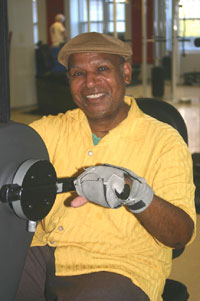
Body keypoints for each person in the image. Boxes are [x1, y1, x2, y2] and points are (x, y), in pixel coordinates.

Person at [15, 32, 196, 301]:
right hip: (42, 253)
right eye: (78, 74)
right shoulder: (49, 130)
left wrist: (133, 192)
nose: (90, 83)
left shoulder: (164, 141)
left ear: (124, 72)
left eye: (101, 69)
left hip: (118, 266)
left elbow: (181, 235)